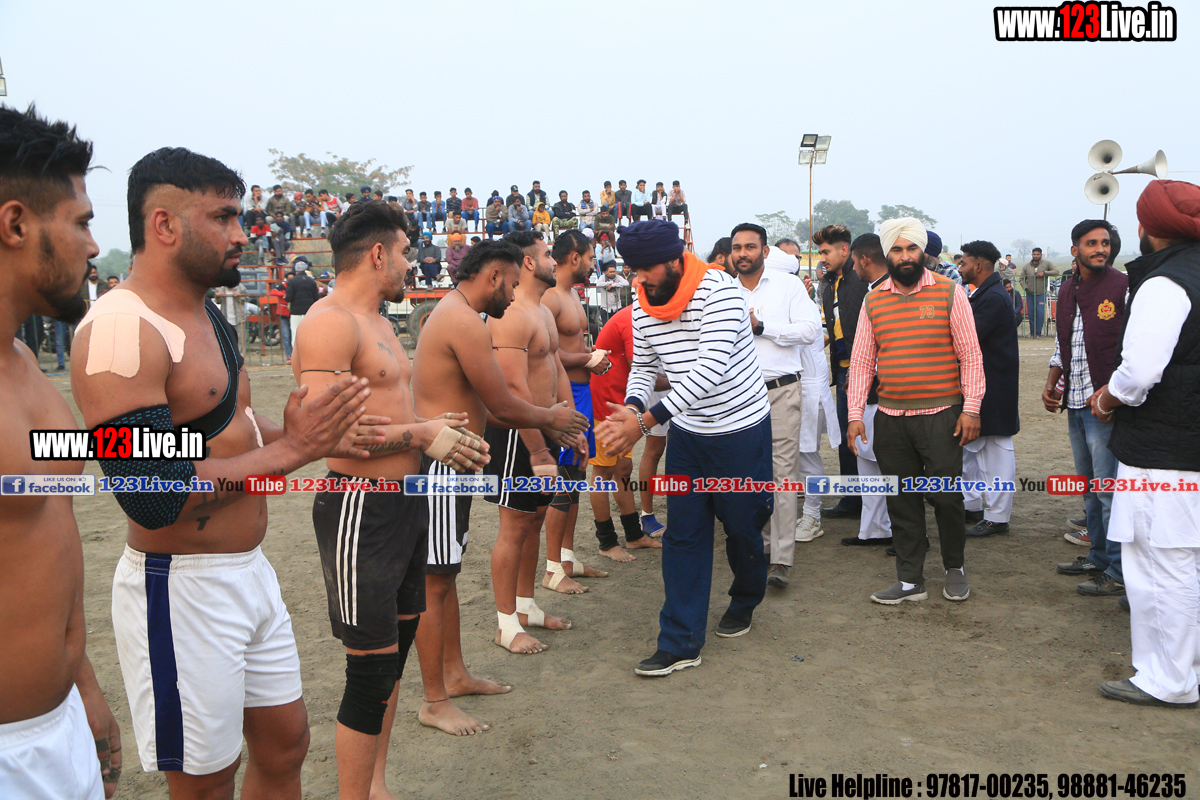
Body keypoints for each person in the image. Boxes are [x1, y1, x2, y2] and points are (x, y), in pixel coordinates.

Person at [71, 147, 384, 798]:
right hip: (180, 586)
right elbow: (150, 491)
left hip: (248, 571)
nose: (242, 234)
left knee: (286, 746)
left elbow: (231, 424)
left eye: (240, 216)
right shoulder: (121, 329)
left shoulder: (204, 311)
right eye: (223, 217)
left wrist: (302, 434)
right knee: (207, 782)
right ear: (164, 224)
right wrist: (292, 453)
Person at [292, 200, 489, 790]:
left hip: (403, 501)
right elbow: (326, 436)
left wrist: (431, 429)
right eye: (405, 252)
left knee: (394, 656)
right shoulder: (330, 323)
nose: (411, 263)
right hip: (360, 504)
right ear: (378, 254)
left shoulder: (377, 321)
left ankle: (375, 786)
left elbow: (384, 412)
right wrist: (421, 435)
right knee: (370, 671)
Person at [410, 240, 587, 731]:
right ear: (493, 276)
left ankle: (454, 675)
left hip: (454, 461)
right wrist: (552, 421)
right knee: (434, 581)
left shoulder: (462, 315)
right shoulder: (463, 320)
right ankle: (434, 699)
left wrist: (554, 424)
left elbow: (495, 406)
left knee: (444, 577)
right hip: (440, 466)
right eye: (509, 283)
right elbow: (504, 404)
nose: (512, 294)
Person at [0, 103, 121, 800]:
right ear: (16, 224)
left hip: (59, 722)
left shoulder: (24, 364)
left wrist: (84, 692)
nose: (93, 246)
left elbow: (45, 540)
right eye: (81, 222)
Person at [598, 219, 773, 676]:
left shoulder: (720, 292)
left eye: (647, 269)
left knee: (743, 526)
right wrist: (631, 408)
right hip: (689, 436)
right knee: (683, 535)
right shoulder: (642, 302)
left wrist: (644, 423)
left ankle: (746, 596)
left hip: (740, 430)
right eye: (634, 270)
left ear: (676, 260)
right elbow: (644, 366)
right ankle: (680, 641)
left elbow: (707, 371)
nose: (640, 279)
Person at [1095, 179, 1200, 708]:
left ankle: (1169, 680)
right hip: (1185, 443)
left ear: (1146, 227)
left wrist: (1106, 399)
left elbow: (1139, 373)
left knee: (1162, 564)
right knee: (1183, 562)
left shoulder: (1166, 284)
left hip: (1165, 451)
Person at [845, 217, 984, 605]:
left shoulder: (949, 292)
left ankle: (954, 567)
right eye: (897, 249)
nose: (905, 256)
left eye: (911, 249)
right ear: (886, 254)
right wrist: (855, 415)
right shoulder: (873, 300)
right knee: (901, 498)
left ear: (923, 252)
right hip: (890, 417)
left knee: (946, 497)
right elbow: (862, 362)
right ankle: (909, 579)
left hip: (942, 415)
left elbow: (971, 356)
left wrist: (971, 409)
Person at [483, 231, 590, 653]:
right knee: (514, 524)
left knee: (535, 517)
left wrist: (572, 428)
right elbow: (512, 388)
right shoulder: (509, 314)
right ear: (528, 262)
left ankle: (525, 605)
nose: (552, 260)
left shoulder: (542, 311)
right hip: (517, 433)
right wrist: (538, 448)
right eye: (547, 254)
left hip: (546, 428)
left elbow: (556, 368)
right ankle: (506, 624)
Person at [542, 231, 646, 587]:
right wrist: (587, 359)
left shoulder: (571, 294)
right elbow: (541, 353)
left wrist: (588, 357)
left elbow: (567, 347)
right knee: (563, 481)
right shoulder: (550, 297)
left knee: (575, 477)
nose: (592, 265)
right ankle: (553, 569)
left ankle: (567, 557)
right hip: (563, 393)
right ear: (574, 257)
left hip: (582, 393)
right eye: (589, 258)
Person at [732, 223, 821, 589]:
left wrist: (763, 327)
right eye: (737, 247)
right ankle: (759, 547)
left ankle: (780, 559)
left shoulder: (788, 286)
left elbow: (810, 331)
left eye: (750, 246)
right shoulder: (724, 291)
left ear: (765, 252)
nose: (743, 253)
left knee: (782, 475)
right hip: (738, 396)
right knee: (748, 474)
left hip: (781, 392)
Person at [1043, 220, 1127, 596]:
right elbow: (1063, 343)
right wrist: (1052, 382)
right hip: (1075, 402)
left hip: (1103, 407)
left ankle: (1118, 570)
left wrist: (1113, 395)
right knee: (1089, 489)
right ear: (1075, 250)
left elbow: (1132, 346)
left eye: (1105, 243)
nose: (1100, 249)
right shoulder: (1066, 289)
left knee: (1108, 491)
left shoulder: (1122, 287)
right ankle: (1097, 556)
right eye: (1091, 243)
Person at [958, 239, 1019, 538]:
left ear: (979, 265)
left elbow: (966, 339)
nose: (960, 268)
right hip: (981, 385)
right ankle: (970, 505)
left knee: (995, 453)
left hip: (994, 388)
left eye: (964, 262)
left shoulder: (993, 297)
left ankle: (997, 517)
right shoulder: (984, 293)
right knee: (970, 449)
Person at [837, 235, 890, 547]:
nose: (853, 267)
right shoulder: (873, 291)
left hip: (887, 394)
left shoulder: (891, 293)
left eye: (855, 261)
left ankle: (905, 532)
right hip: (868, 392)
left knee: (891, 464)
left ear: (864, 259)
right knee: (868, 460)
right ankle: (874, 530)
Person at [814, 224, 866, 519]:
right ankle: (852, 500)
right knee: (849, 437)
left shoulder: (861, 280)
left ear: (844, 250)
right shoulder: (829, 283)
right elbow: (827, 328)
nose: (822, 258)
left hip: (867, 372)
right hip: (845, 372)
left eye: (825, 252)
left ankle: (875, 501)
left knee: (868, 438)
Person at [1020, 247, 1059, 337]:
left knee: (1040, 313)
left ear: (1041, 255)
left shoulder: (1047, 263)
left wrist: (1045, 273)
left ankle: (1038, 333)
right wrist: (1025, 287)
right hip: (1030, 293)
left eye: (1038, 254)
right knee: (1031, 314)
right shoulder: (1026, 266)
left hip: (1041, 293)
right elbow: (1021, 279)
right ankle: (1032, 333)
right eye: (1034, 254)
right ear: (1032, 255)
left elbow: (1056, 272)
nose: (1036, 256)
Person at [285, 256, 320, 342]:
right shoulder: (311, 281)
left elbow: (288, 298)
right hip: (309, 312)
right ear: (305, 269)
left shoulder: (292, 281)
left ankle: (296, 349)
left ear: (296, 270)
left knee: (295, 332)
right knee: (309, 333)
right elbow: (316, 298)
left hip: (296, 312)